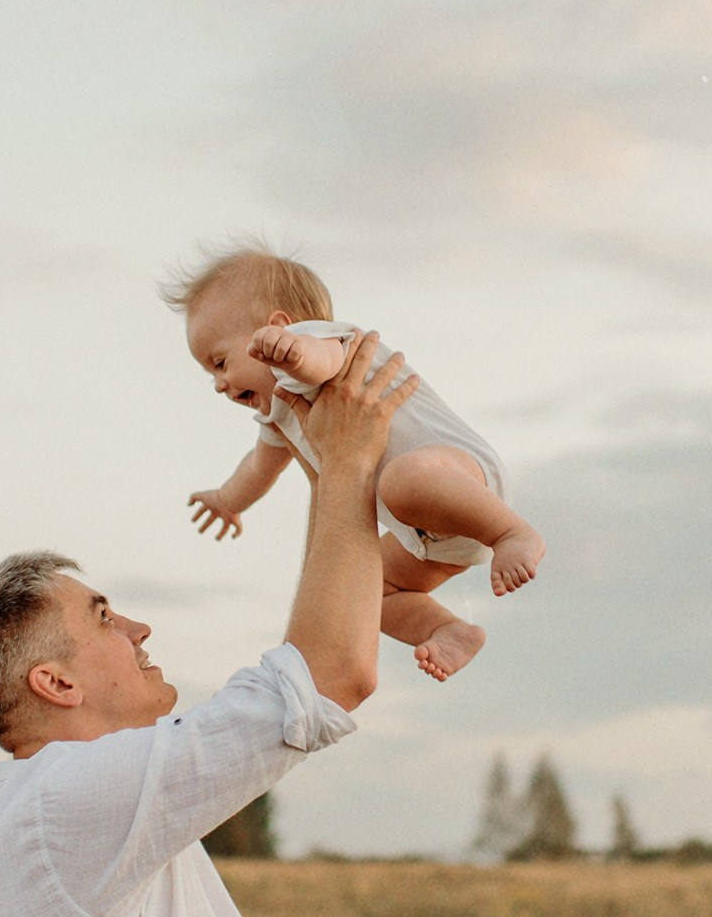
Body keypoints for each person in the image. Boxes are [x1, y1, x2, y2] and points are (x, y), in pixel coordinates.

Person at [0, 331, 416, 917]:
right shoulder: (60, 806)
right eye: (106, 616)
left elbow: (320, 672)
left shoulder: (76, 816)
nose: (141, 629)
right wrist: (346, 457)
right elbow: (328, 678)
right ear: (55, 681)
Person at [159, 240, 545, 681]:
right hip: (426, 533)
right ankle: (448, 628)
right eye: (211, 373)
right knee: (363, 596)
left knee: (400, 481)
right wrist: (228, 500)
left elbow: (322, 363)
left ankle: (514, 532)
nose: (219, 384)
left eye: (221, 362)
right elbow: (258, 467)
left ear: (281, 327)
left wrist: (294, 353)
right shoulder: (280, 411)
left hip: (460, 477)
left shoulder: (325, 340)